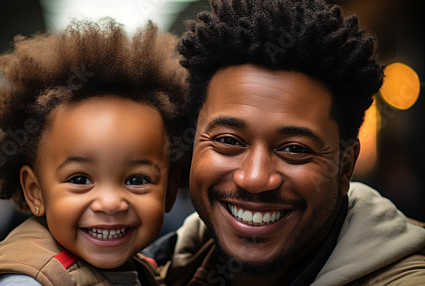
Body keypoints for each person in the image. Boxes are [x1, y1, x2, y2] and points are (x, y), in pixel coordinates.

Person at [144, 0, 425, 285]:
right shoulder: (156, 271)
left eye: (294, 149)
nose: (254, 178)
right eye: (228, 141)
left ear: (344, 167)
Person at [0, 18, 188, 286]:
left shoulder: (143, 269)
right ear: (35, 191)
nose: (110, 204)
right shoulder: (30, 279)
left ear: (169, 191)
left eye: (137, 180)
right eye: (79, 179)